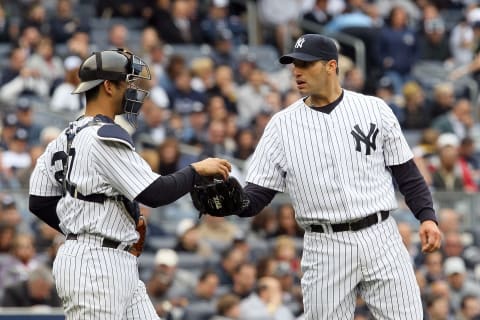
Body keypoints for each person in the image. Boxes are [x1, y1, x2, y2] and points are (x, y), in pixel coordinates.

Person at [192, 34, 443, 319]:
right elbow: (257, 196)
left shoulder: (374, 109)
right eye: (294, 64)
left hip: (381, 235)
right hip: (325, 245)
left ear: (331, 66)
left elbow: (406, 173)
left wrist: (427, 216)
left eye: (306, 64)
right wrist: (235, 203)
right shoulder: (281, 126)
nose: (297, 71)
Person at [28, 48, 232, 320]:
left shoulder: (64, 137)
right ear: (109, 87)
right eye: (128, 82)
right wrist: (195, 170)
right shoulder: (103, 136)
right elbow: (155, 193)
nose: (134, 90)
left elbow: (39, 201)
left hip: (112, 260)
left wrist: (92, 224)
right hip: (95, 268)